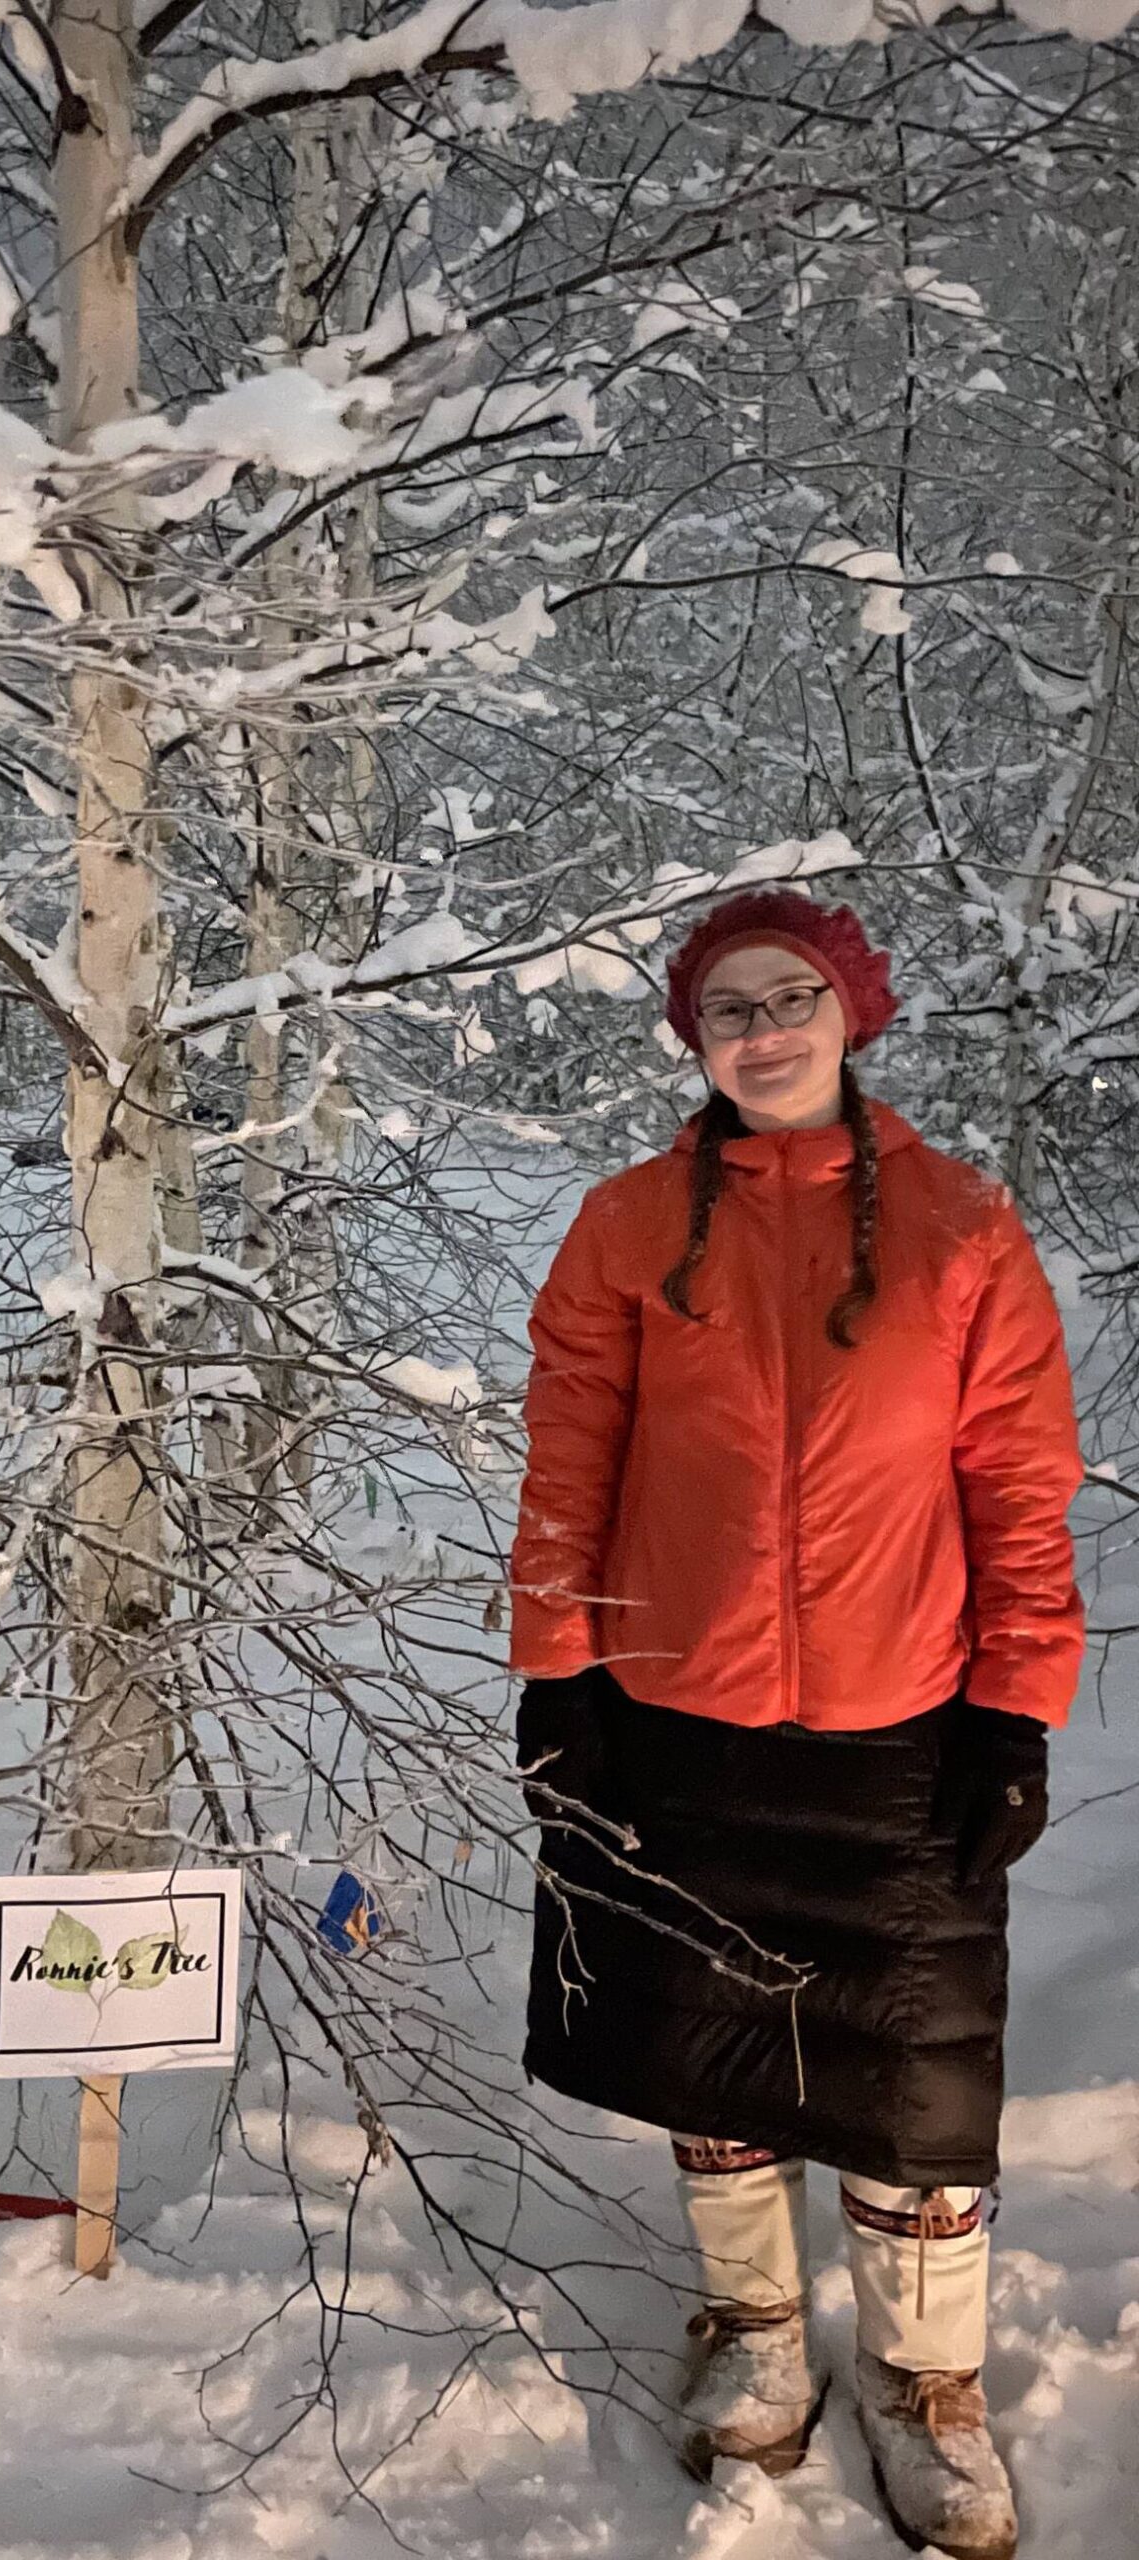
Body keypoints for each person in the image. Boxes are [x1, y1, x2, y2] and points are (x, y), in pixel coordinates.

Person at [506, 887, 1084, 2560]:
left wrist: (1015, 1709)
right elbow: (570, 1460)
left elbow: (1018, 1483)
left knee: (913, 2074)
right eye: (727, 1009)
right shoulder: (626, 1225)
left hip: (904, 1722)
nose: (760, 1033)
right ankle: (758, 2328)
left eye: (788, 999)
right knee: (714, 2045)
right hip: (677, 1715)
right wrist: (561, 1671)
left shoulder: (961, 1226)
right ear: (693, 1039)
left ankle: (924, 2384)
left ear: (851, 1013)